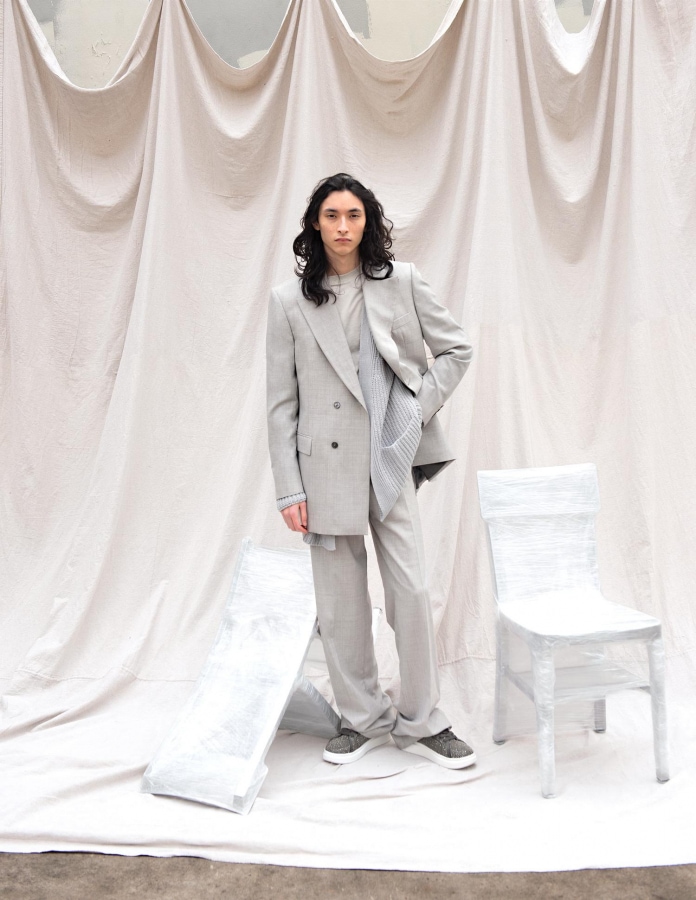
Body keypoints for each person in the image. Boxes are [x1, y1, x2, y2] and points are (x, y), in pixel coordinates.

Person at [266, 173, 475, 769]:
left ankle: (423, 720)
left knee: (411, 589)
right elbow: (281, 403)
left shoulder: (400, 281)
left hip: (389, 454)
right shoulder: (288, 301)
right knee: (340, 603)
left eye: (353, 215)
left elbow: (456, 349)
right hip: (323, 466)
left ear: (368, 221)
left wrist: (414, 407)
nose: (343, 226)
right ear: (315, 224)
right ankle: (361, 718)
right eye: (332, 215)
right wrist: (289, 489)